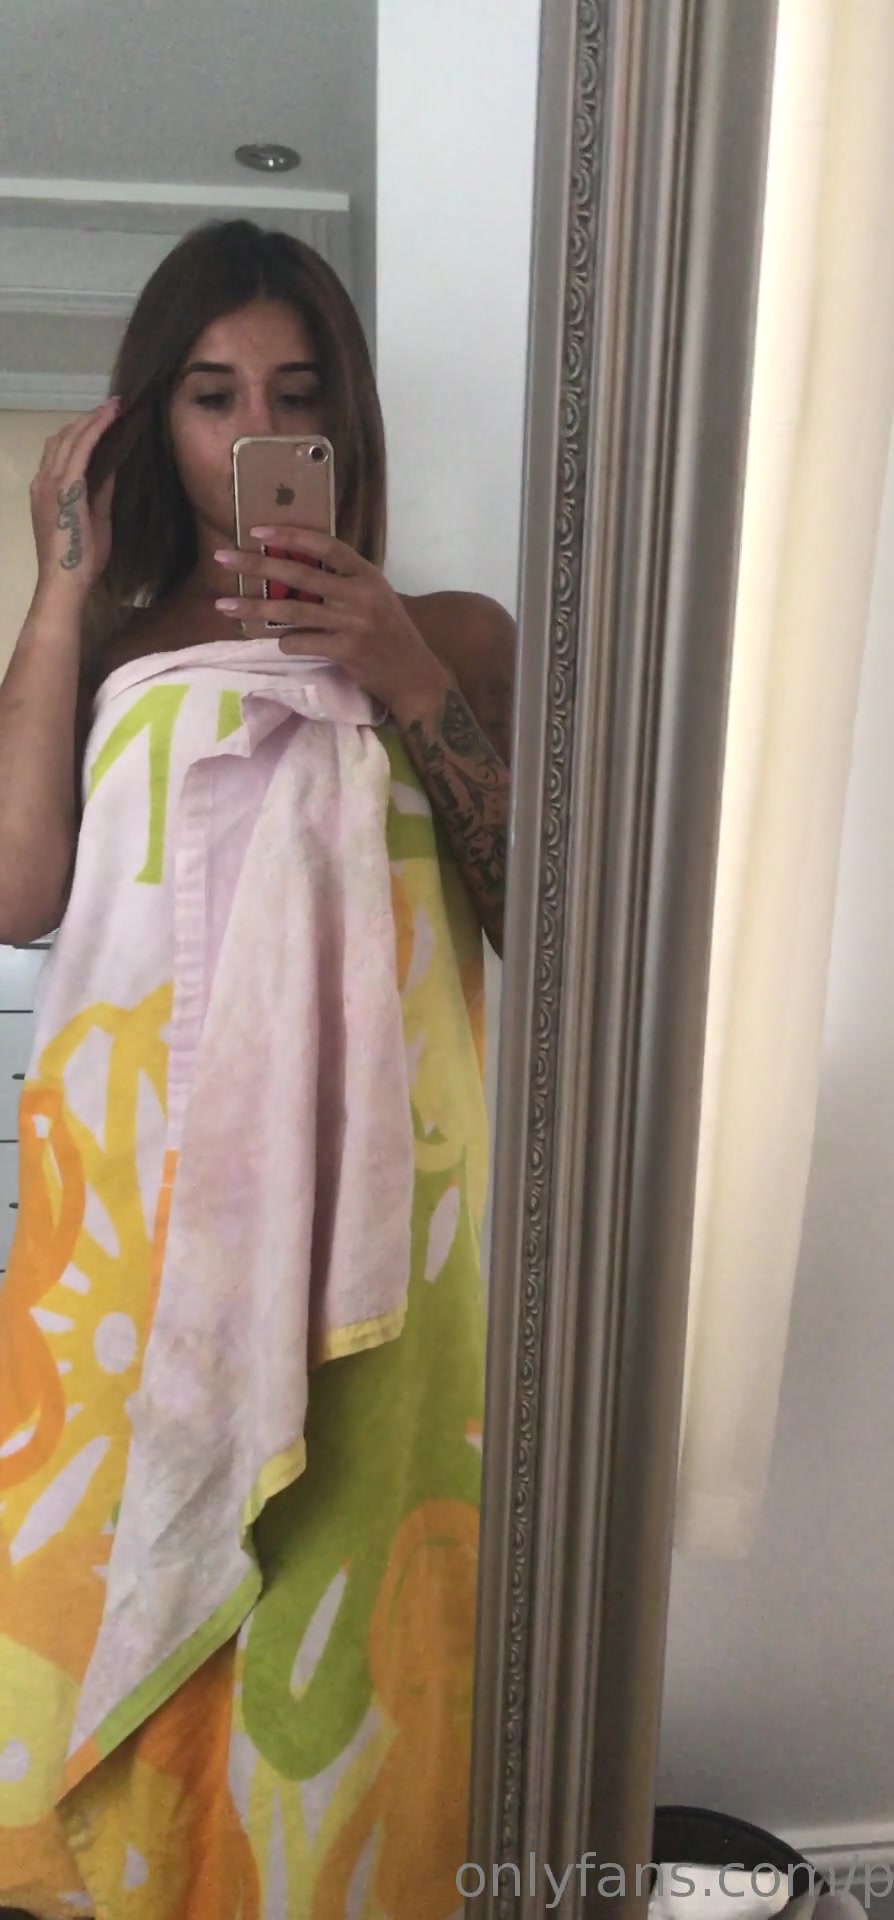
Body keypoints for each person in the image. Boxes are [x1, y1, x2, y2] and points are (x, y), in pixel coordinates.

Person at [0, 220, 513, 1920]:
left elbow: (554, 916)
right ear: (155, 421)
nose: (255, 431)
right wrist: (62, 584)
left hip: (390, 1210)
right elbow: (17, 891)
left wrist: (407, 674)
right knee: (113, 1551)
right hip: (134, 1195)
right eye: (213, 395)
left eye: (295, 394)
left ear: (345, 419)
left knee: (351, 1586)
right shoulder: (107, 640)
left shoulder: (455, 632)